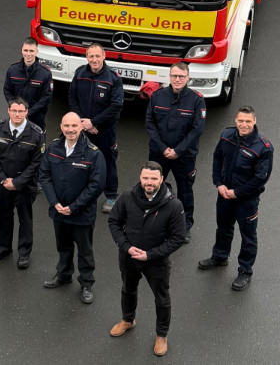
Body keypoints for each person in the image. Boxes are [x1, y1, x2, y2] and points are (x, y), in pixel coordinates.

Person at [108, 162, 187, 357]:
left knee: (162, 299)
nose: (148, 182)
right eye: (145, 178)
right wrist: (126, 247)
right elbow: (114, 222)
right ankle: (128, 319)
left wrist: (150, 254)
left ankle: (161, 334)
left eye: (153, 178)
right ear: (140, 178)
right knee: (128, 289)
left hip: (156, 261)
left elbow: (178, 238)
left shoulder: (174, 205)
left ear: (161, 179)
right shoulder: (127, 197)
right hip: (129, 257)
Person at [198, 106, 273, 291]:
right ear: (235, 120)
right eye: (241, 120)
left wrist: (237, 192)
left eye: (248, 121)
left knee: (248, 236)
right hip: (224, 193)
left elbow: (260, 178)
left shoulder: (263, 147)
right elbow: (217, 159)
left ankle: (245, 271)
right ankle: (220, 256)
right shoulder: (226, 136)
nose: (244, 124)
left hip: (246, 200)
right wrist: (219, 184)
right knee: (223, 227)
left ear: (255, 121)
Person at [39, 112, 106, 304]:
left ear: (81, 127)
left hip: (81, 214)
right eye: (66, 126)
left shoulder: (93, 153)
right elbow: (44, 175)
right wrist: (55, 203)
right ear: (61, 127)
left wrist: (74, 207)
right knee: (63, 247)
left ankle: (86, 283)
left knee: (85, 251)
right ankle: (63, 275)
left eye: (74, 126)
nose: (70, 130)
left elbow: (97, 185)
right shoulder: (52, 148)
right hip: (59, 212)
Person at [144, 62, 206, 239]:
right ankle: (153, 221)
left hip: (184, 155)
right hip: (159, 153)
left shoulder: (197, 100)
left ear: (187, 78)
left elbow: (197, 129)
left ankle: (184, 226)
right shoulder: (157, 96)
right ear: (169, 77)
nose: (177, 79)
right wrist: (163, 149)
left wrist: (178, 150)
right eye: (174, 76)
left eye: (181, 76)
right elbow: (149, 124)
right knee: (152, 187)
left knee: (185, 191)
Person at [0, 97, 45, 269]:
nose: (17, 114)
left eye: (21, 111)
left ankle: (24, 253)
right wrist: (4, 179)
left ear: (26, 112)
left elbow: (37, 163)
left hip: (25, 186)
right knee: (4, 215)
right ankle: (3, 247)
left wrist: (18, 182)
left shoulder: (36, 133)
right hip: (3, 183)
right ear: (8, 111)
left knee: (25, 218)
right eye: (14, 110)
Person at [69, 43, 123, 214]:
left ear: (104, 56)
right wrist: (82, 123)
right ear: (87, 57)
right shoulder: (80, 74)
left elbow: (116, 105)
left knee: (107, 162)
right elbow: (72, 98)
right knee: (79, 160)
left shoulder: (113, 78)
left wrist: (94, 123)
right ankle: (79, 193)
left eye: (97, 56)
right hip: (82, 127)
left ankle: (111, 196)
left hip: (104, 130)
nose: (94, 59)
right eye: (91, 56)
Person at [3, 37, 53, 130]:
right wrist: (17, 109)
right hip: (16, 115)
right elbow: (7, 91)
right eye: (26, 50)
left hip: (37, 117)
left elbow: (47, 97)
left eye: (31, 51)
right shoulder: (12, 69)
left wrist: (29, 112)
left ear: (37, 51)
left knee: (37, 142)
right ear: (22, 50)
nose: (28, 54)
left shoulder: (45, 73)